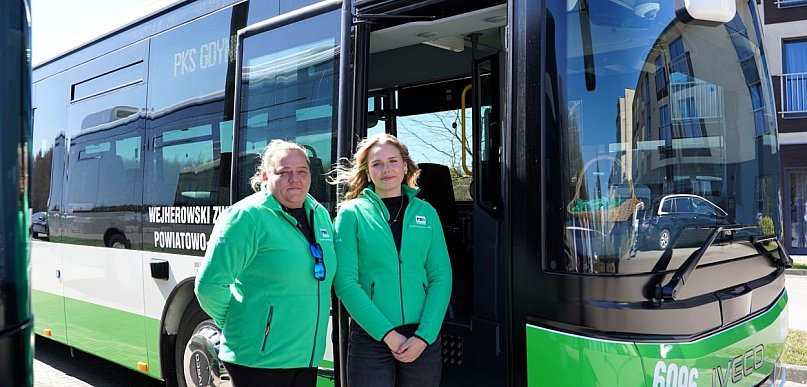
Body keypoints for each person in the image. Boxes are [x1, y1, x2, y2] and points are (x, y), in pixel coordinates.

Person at [195, 139, 336, 387]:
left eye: (302, 171)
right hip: (258, 359)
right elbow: (209, 285)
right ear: (265, 176)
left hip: (306, 356)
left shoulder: (319, 213)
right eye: (284, 172)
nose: (295, 178)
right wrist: (244, 321)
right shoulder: (246, 216)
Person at [333, 133, 452, 387]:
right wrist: (388, 335)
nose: (386, 169)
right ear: (367, 171)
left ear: (405, 165)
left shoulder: (426, 212)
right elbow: (345, 282)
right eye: (377, 164)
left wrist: (424, 336)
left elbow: (441, 277)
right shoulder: (351, 213)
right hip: (371, 338)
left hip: (423, 336)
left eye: (393, 161)